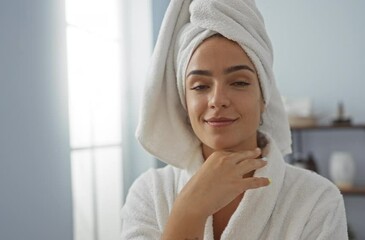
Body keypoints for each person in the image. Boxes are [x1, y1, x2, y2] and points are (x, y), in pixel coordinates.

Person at [121, 0, 348, 239]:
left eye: (239, 82)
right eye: (200, 86)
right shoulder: (150, 193)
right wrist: (188, 212)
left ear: (264, 99)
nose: (217, 100)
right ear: (184, 103)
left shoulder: (317, 199)